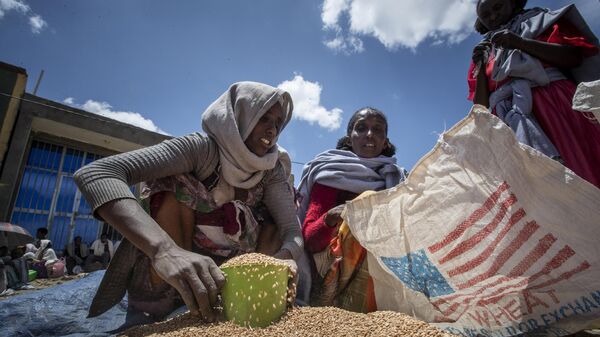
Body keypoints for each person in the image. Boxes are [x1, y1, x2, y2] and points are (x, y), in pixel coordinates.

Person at [74, 81, 303, 323]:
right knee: (171, 189)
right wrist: (165, 251)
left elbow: (291, 231)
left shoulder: (271, 170)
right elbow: (97, 174)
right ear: (240, 116)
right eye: (264, 118)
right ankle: (171, 304)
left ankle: (242, 308)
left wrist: (281, 261)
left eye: (278, 123)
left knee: (275, 221)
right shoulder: (200, 149)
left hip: (234, 276)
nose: (272, 130)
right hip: (174, 264)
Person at [468, 0, 600, 189]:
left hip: (555, 105)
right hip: (510, 123)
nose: (493, 16)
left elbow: (573, 57)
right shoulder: (487, 50)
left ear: (512, 3)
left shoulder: (540, 21)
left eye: (497, 7)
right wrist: (480, 68)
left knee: (580, 168)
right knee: (539, 191)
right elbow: (480, 106)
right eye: (486, 16)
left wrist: (519, 42)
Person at [297, 107, 406, 312]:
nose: (369, 135)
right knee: (366, 203)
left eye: (378, 130)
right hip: (331, 264)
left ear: (385, 140)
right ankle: (344, 309)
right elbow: (310, 240)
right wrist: (331, 217)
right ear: (350, 138)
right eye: (361, 128)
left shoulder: (395, 180)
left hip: (381, 260)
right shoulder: (331, 174)